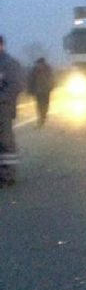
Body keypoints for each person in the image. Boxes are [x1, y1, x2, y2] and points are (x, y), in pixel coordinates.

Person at [0, 36, 24, 186]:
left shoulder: (9, 63)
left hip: (3, 108)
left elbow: (16, 86)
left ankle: (8, 175)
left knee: (5, 142)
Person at [28, 58, 55, 127]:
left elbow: (51, 78)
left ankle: (42, 117)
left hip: (42, 90)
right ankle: (42, 117)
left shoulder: (44, 69)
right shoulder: (40, 69)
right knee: (42, 104)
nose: (39, 65)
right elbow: (31, 80)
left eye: (39, 63)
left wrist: (30, 90)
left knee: (42, 105)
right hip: (42, 90)